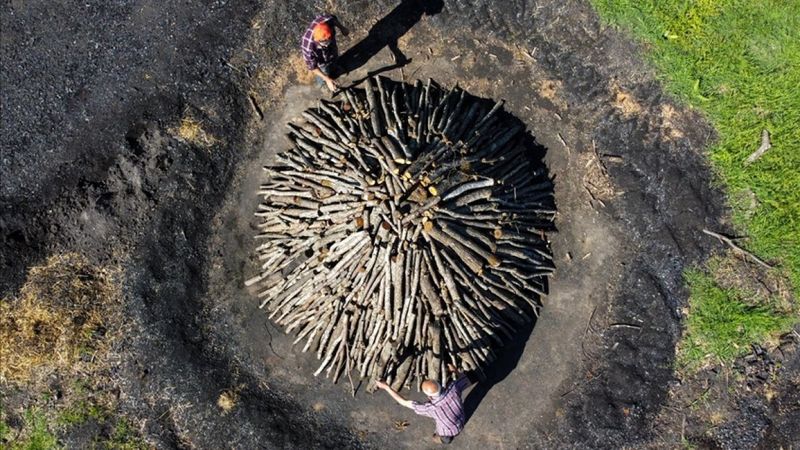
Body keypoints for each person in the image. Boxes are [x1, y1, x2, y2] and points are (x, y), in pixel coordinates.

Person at [375, 365, 476, 444]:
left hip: (448, 433)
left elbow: (404, 402)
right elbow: (466, 380)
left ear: (428, 396)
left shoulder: (430, 408)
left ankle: (442, 440)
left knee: (436, 438)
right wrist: (454, 370)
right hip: (461, 420)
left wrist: (387, 387)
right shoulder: (453, 389)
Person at [300, 14, 349, 92]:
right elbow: (312, 67)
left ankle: (335, 68)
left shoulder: (327, 21)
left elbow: (333, 18)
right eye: (326, 42)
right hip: (320, 59)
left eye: (329, 39)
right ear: (318, 40)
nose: (328, 42)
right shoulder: (308, 46)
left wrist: (342, 28)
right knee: (324, 69)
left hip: (330, 51)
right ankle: (323, 84)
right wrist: (327, 79)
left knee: (334, 55)